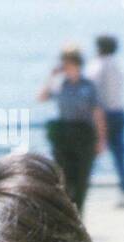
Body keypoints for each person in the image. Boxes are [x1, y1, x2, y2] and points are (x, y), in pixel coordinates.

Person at [39, 44, 107, 215]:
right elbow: (42, 97)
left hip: (84, 135)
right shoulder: (60, 85)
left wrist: (101, 140)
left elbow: (98, 113)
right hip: (64, 135)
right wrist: (51, 77)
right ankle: (67, 216)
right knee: (63, 180)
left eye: (69, 63)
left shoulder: (89, 86)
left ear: (77, 64)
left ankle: (79, 216)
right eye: (64, 63)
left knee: (82, 179)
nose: (66, 67)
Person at [87, 35, 124, 207]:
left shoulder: (97, 65)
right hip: (119, 111)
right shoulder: (120, 65)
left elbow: (92, 91)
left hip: (102, 114)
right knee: (120, 155)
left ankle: (82, 190)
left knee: (91, 154)